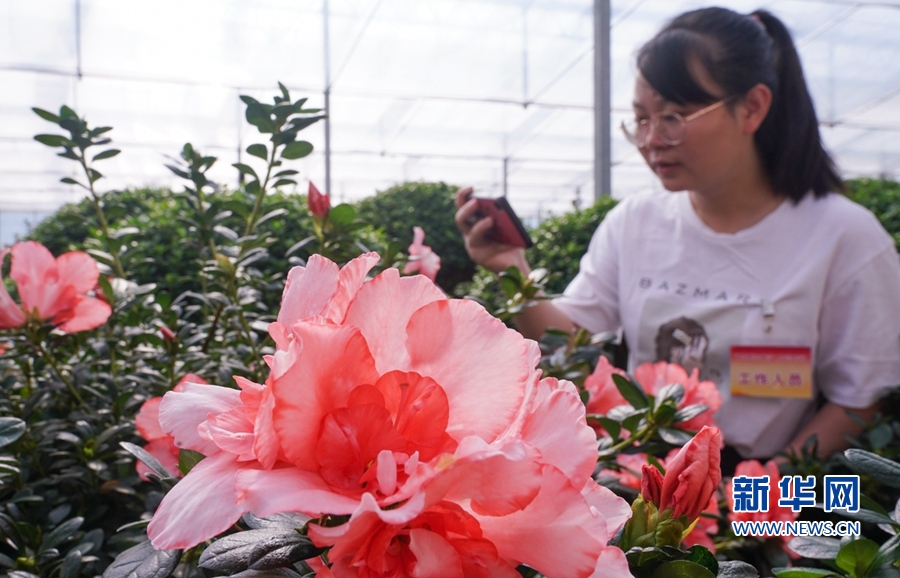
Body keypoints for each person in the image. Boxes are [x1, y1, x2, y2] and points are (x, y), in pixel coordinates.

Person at [455, 6, 900, 467]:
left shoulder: (843, 238)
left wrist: (755, 492)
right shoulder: (635, 224)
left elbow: (858, 400)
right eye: (641, 119)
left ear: (752, 107)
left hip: (765, 490)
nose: (651, 139)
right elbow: (574, 343)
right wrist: (514, 270)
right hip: (640, 478)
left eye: (673, 116)